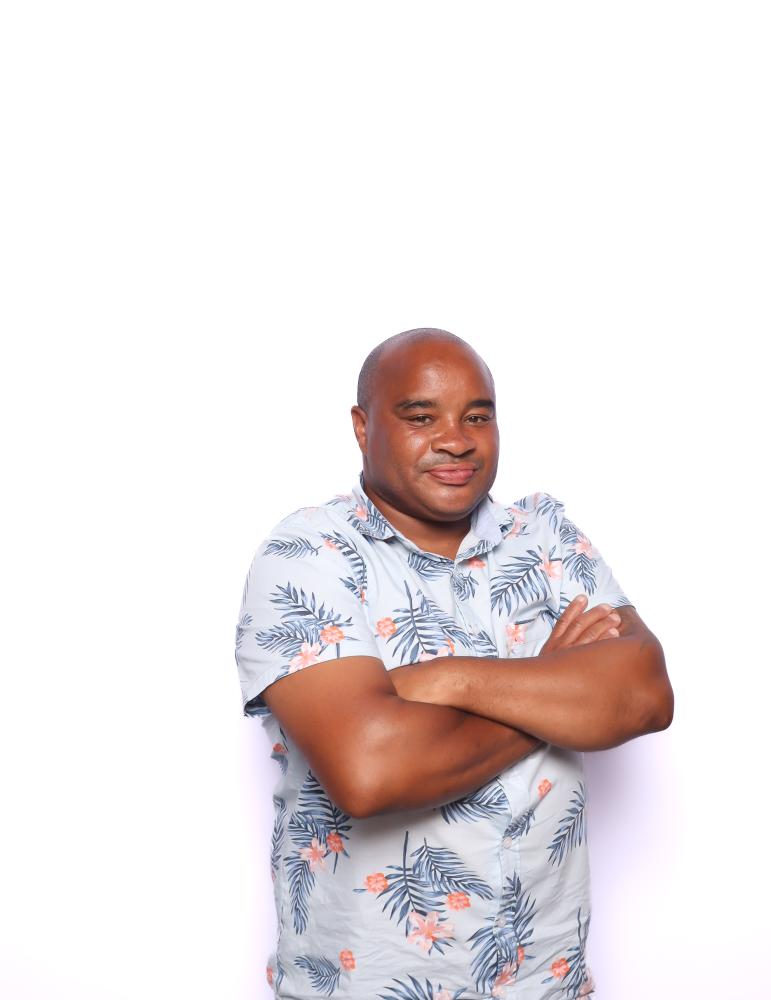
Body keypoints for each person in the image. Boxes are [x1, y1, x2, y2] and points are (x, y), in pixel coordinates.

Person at [234, 328, 674, 1000]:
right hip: (366, 985)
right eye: (420, 417)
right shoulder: (309, 556)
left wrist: (448, 679)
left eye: (477, 416)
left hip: (544, 980)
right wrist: (554, 691)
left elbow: (645, 694)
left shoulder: (545, 534)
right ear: (362, 427)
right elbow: (370, 771)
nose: (456, 440)